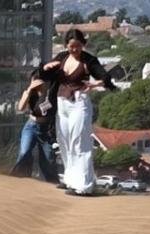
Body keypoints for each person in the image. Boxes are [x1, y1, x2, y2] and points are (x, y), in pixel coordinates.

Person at [42, 29, 117, 195]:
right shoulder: (61, 57)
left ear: (83, 44)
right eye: (71, 47)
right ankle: (70, 180)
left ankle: (84, 185)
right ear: (66, 45)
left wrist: (94, 85)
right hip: (62, 103)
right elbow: (45, 73)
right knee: (64, 141)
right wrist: (47, 67)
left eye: (77, 46)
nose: (74, 50)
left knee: (79, 142)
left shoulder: (89, 60)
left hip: (79, 103)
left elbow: (105, 78)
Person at [10, 69, 60, 185]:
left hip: (46, 130)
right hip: (31, 126)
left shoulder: (51, 92)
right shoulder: (30, 92)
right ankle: (18, 179)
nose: (37, 83)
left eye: (39, 80)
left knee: (48, 160)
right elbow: (20, 107)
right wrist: (29, 90)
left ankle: (53, 184)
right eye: (34, 80)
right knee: (24, 152)